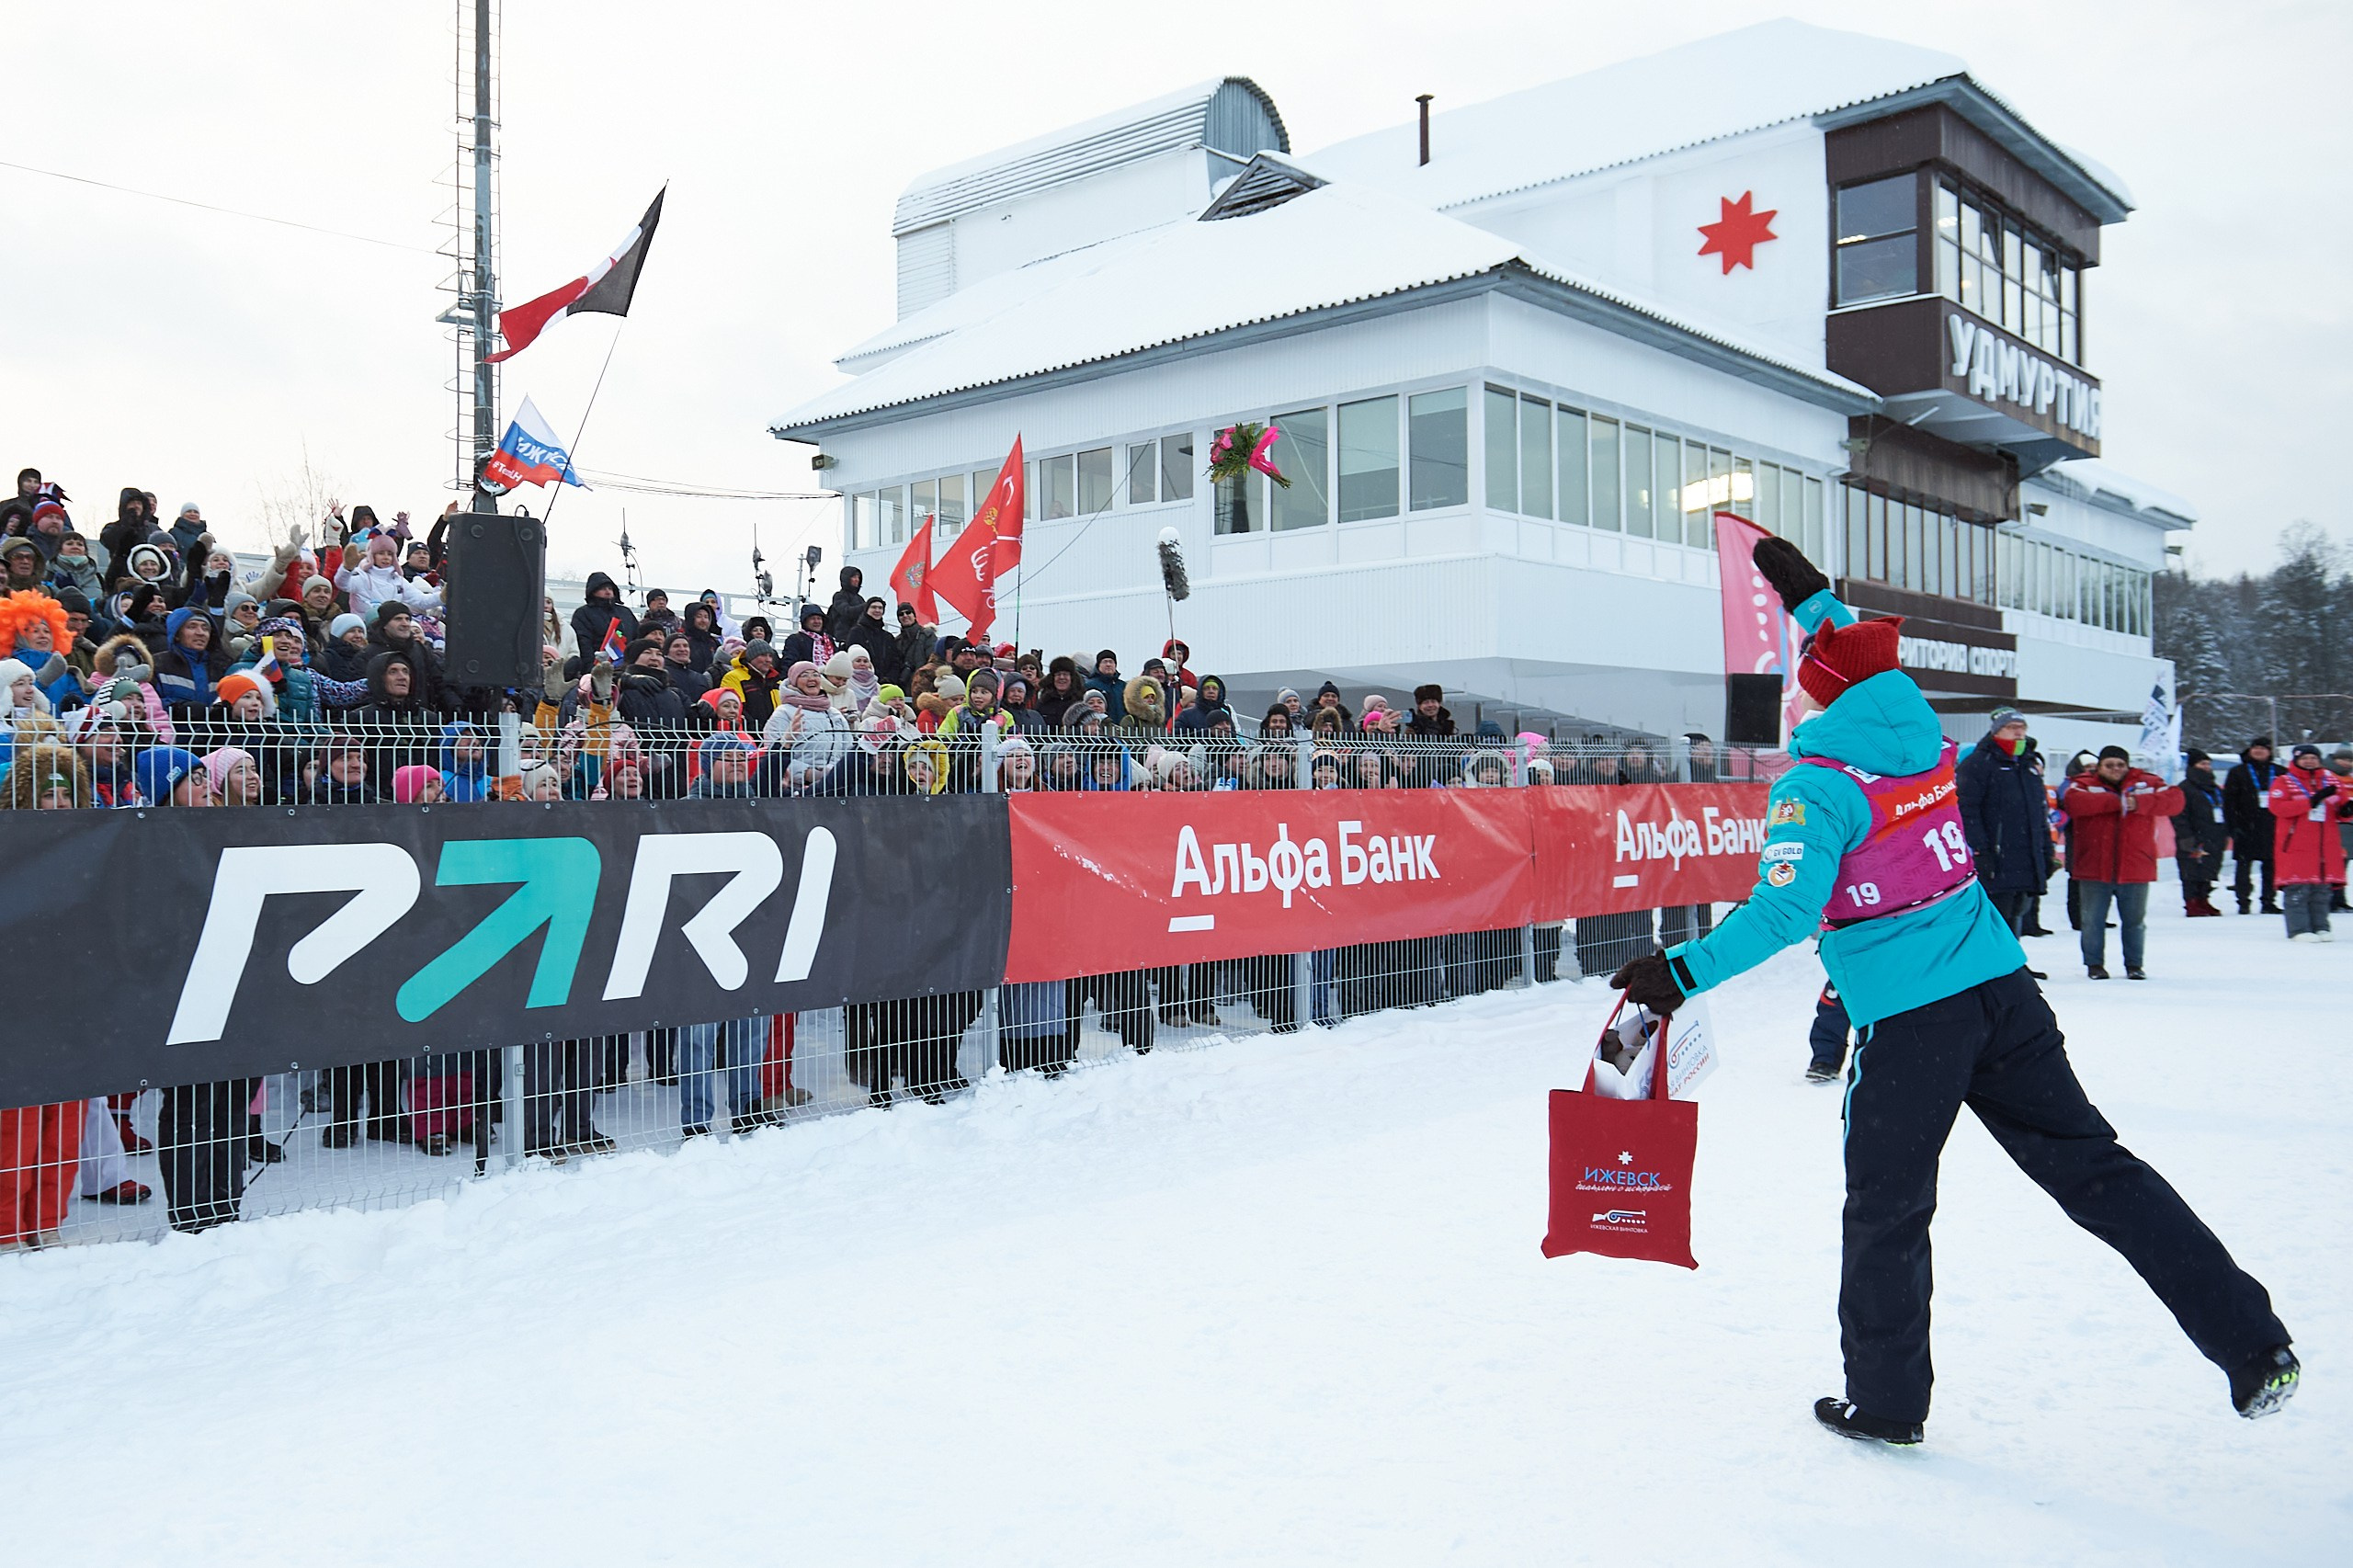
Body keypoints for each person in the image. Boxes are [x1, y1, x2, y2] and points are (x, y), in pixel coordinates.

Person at [1608, 538, 2295, 1446]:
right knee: (2098, 1168)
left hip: (1907, 1019)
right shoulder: (1916, 727)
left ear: (1816, 693)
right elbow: (1857, 652)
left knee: (1888, 1206)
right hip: (2001, 989)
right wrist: (1815, 598)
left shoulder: (1815, 787)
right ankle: (2253, 1346)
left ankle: (1886, 1400)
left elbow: (1782, 915)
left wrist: (1679, 972)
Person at [2061, 746, 2181, 980]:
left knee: (2134, 921)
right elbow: (2074, 803)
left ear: (2127, 766)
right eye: (2109, 765)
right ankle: (2094, 965)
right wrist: (2118, 802)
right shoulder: (2083, 783)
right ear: (2099, 767)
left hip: (2135, 866)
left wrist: (2140, 803)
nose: (2115, 769)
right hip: (2094, 867)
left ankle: (2134, 965)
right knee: (2092, 921)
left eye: (2120, 765)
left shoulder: (2147, 783)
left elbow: (2175, 800)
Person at [1955, 707, 2052, 945]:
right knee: (1996, 914)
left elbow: (2040, 813)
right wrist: (1981, 849)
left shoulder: (2028, 764)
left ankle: (2014, 966)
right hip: (1997, 856)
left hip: (2026, 856)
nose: (2019, 733)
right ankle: (1994, 969)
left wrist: (2046, 851)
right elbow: (1968, 811)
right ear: (1997, 732)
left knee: (2018, 912)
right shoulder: (1979, 763)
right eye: (2012, 728)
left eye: (2022, 728)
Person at [2268, 744, 2349, 942]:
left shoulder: (2330, 779)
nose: (2309, 761)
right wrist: (2310, 801)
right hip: (2295, 843)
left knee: (2320, 889)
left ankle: (2320, 926)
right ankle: (2299, 929)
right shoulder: (2284, 781)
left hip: (2325, 844)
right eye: (2305, 758)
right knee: (2298, 888)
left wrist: (2347, 809)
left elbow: (2340, 805)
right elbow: (2278, 808)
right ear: (2296, 760)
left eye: (2313, 758)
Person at [2222, 738, 2280, 915]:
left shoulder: (2279, 772)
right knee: (2243, 866)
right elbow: (2229, 802)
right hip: (2245, 825)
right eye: (2255, 748)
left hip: (2272, 825)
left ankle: (2268, 901)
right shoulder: (2238, 772)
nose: (2259, 751)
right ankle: (2243, 902)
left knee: (2271, 866)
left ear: (2270, 751)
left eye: (2263, 748)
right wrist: (2232, 826)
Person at [2172, 750, 2229, 917]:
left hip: (2214, 835)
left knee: (2208, 868)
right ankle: (2191, 902)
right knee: (2191, 870)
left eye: (2208, 764)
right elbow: (2178, 814)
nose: (2206, 767)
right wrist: (2185, 835)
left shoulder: (2214, 788)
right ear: (2192, 766)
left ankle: (2204, 899)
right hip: (2192, 835)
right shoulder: (2184, 788)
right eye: (2202, 764)